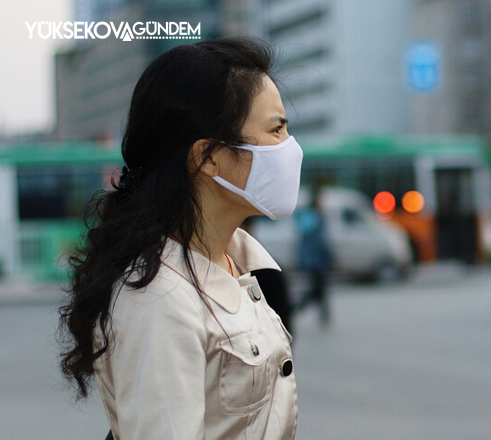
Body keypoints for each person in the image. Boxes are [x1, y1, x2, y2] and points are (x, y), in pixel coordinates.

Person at [58, 38, 300, 439]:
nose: (290, 148)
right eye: (276, 130)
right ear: (207, 157)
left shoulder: (236, 259)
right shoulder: (157, 295)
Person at [295, 185, 334, 326]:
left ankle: (324, 315)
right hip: (317, 260)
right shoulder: (315, 218)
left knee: (319, 288)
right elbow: (321, 241)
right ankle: (297, 308)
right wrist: (330, 255)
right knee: (318, 289)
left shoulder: (307, 217)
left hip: (311, 259)